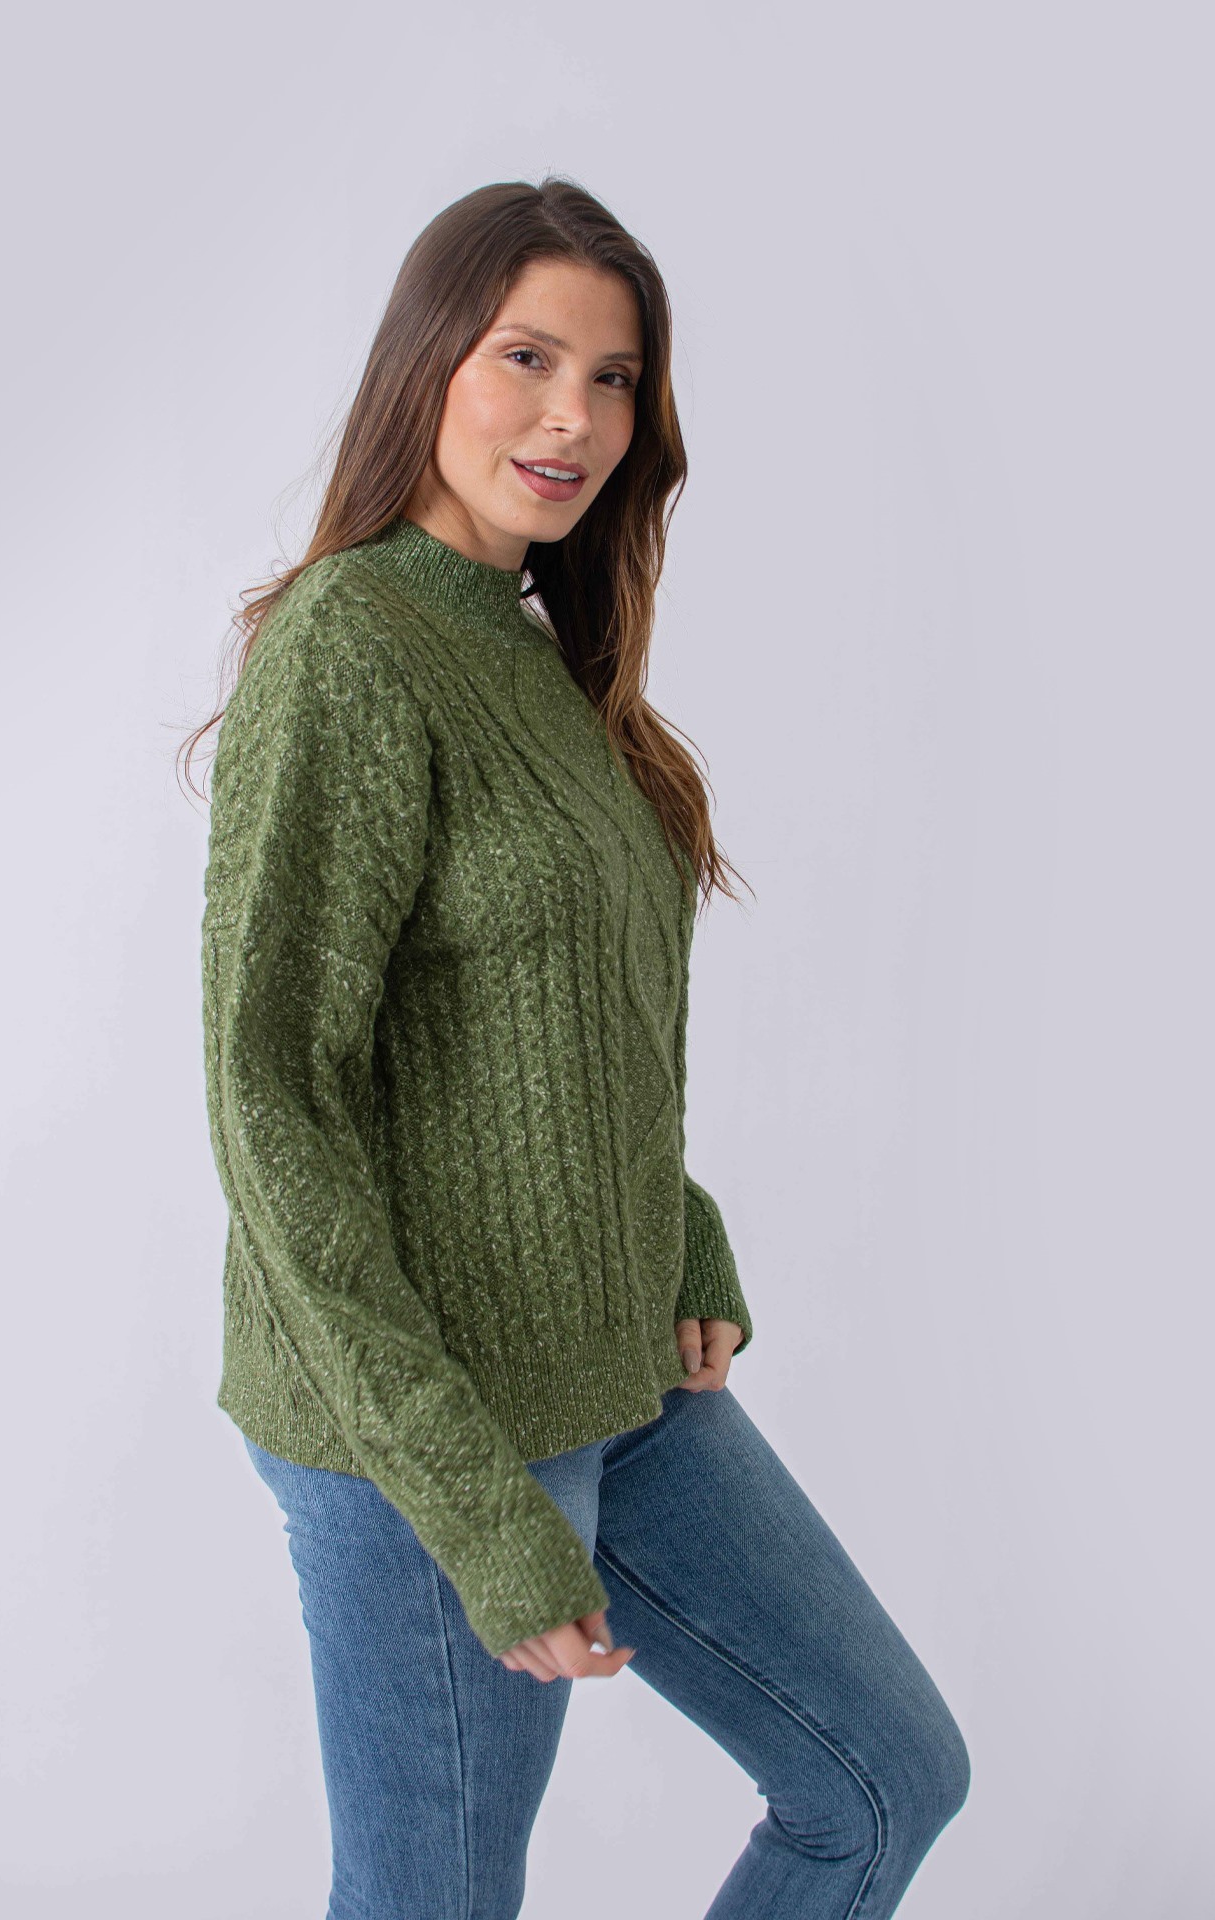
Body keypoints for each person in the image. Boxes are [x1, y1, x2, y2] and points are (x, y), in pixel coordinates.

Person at [182, 174, 970, 1919]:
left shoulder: (537, 655)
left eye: (613, 378)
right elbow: (272, 1096)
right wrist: (467, 1499)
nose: (574, 418)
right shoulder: (351, 643)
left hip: (618, 1378)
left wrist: (676, 1230)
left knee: (881, 1779)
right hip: (428, 1421)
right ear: (426, 363)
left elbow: (563, 1032)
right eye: (526, 357)